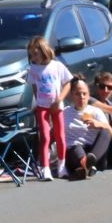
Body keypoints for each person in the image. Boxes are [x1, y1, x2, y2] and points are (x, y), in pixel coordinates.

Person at [27, 36, 69, 180]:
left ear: (44, 51)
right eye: (31, 55)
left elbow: (68, 83)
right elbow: (34, 86)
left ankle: (62, 166)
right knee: (45, 136)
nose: (33, 57)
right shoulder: (33, 69)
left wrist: (60, 99)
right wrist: (37, 102)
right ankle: (45, 168)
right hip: (42, 106)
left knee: (60, 136)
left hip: (56, 106)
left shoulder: (57, 66)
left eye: (35, 54)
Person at [61, 75, 112, 177]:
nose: (82, 97)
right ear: (72, 95)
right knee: (75, 147)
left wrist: (99, 124)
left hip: (95, 153)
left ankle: (87, 164)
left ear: (88, 95)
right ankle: (86, 166)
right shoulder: (64, 112)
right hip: (74, 154)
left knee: (105, 130)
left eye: (84, 94)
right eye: (78, 94)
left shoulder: (95, 111)